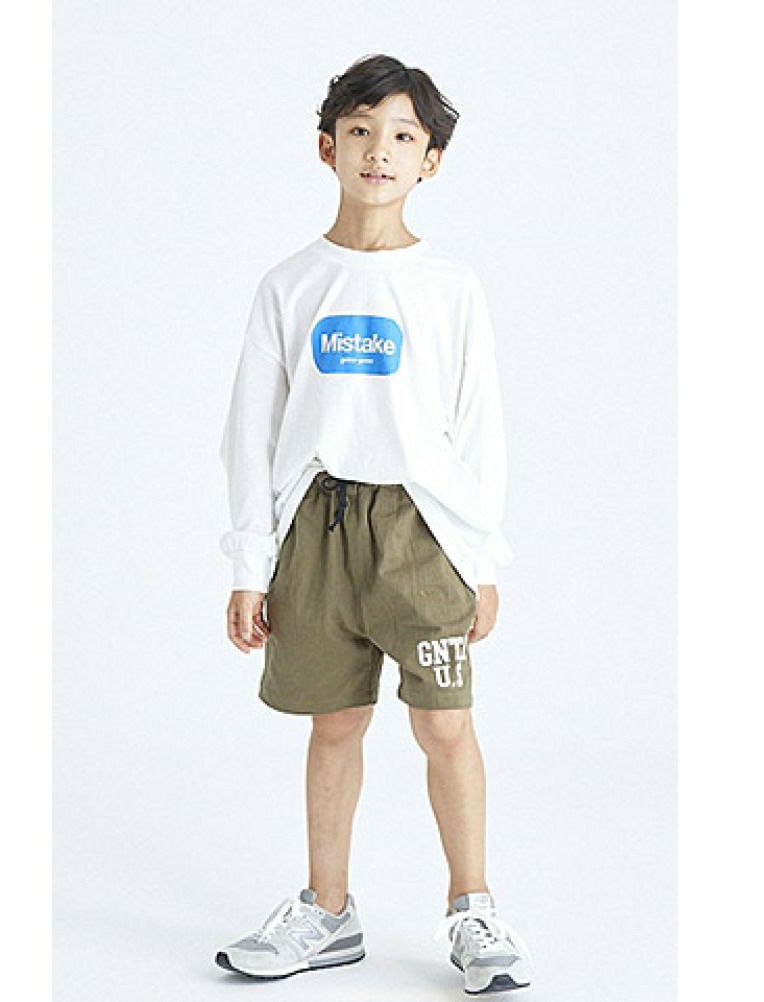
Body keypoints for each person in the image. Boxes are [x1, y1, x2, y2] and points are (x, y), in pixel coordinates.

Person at [214, 53, 533, 995]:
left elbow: (479, 426)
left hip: (421, 531)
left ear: (430, 160)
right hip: (317, 527)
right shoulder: (290, 284)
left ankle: (472, 908)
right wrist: (250, 563)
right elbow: (251, 431)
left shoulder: (449, 286)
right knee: (336, 722)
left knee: (446, 726)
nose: (378, 151)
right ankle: (327, 910)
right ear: (328, 147)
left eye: (402, 136)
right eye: (359, 131)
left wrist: (480, 556)